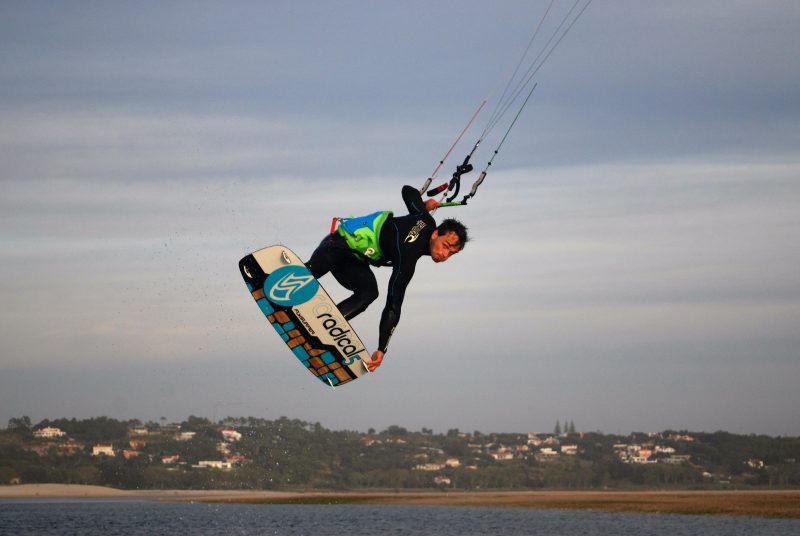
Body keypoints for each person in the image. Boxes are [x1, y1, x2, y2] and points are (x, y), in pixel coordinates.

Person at [306, 185, 469, 372]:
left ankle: (324, 327)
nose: (445, 255)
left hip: (353, 261)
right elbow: (393, 306)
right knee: (314, 271)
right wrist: (382, 348)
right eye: (445, 246)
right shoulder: (407, 257)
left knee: (368, 293)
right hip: (336, 244)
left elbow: (408, 191)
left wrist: (423, 207)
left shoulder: (424, 218)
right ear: (435, 234)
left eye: (451, 253)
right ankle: (297, 277)